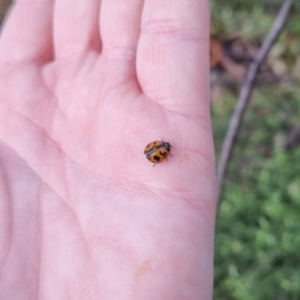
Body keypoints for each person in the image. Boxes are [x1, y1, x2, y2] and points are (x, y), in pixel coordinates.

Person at [0, 1, 216, 299]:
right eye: (163, 148)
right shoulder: (159, 151)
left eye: (163, 149)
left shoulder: (159, 151)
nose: (163, 148)